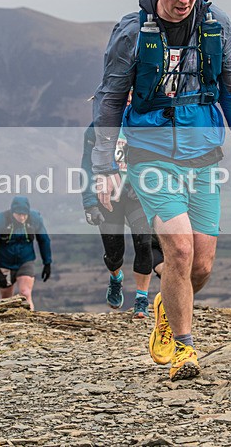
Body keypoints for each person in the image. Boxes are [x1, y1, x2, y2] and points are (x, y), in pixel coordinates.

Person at [91, 0, 231, 380]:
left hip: (204, 156)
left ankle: (168, 300)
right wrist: (104, 167)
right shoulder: (131, 32)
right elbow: (109, 101)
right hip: (150, 155)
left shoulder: (216, 24)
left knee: (199, 265)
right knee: (179, 249)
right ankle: (184, 349)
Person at [81, 121, 155, 318]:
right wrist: (89, 203)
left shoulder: (144, 119)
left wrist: (143, 185)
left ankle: (141, 298)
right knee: (114, 253)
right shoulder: (97, 126)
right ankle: (116, 277)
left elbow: (155, 158)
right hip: (107, 194)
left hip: (136, 195)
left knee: (143, 243)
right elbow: (87, 165)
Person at [0, 195, 52, 311]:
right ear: (13, 212)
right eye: (19, 214)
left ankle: (30, 322)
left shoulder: (35, 219)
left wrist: (47, 262)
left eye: (25, 214)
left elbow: (44, 240)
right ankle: (5, 324)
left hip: (26, 260)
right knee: (6, 298)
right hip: (4, 262)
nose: (22, 217)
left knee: (25, 293)